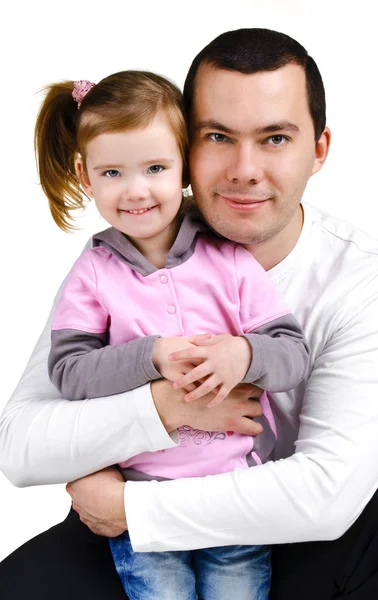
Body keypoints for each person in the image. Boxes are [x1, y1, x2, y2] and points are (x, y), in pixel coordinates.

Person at [1, 27, 378, 600]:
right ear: (184, 146)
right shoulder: (117, 256)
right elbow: (23, 445)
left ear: (319, 149)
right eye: (218, 136)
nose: (244, 169)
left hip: (299, 531)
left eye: (275, 138)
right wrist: (161, 406)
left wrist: (131, 506)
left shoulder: (360, 278)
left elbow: (325, 495)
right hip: (144, 499)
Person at [35, 68, 308, 600]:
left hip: (234, 492)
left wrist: (245, 353)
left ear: (184, 168)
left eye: (155, 168)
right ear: (85, 175)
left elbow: (293, 356)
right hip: (141, 500)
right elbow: (68, 373)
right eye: (112, 173)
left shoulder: (229, 260)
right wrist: (151, 356)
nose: (136, 191)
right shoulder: (93, 272)